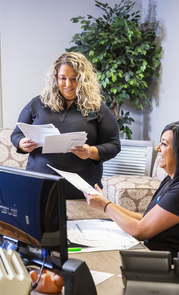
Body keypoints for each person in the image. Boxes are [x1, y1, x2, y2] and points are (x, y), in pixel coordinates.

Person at [84, 120, 179, 262]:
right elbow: (145, 219)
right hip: (159, 259)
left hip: (177, 268)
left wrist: (105, 206)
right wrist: (106, 203)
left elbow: (139, 231)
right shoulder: (172, 180)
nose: (158, 148)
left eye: (164, 144)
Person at [11, 52, 121, 199]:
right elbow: (16, 134)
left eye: (74, 79)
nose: (68, 84)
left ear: (83, 80)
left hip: (82, 191)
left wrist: (90, 152)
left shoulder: (98, 108)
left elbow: (114, 145)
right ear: (55, 78)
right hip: (38, 187)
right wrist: (21, 143)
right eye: (63, 78)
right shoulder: (38, 103)